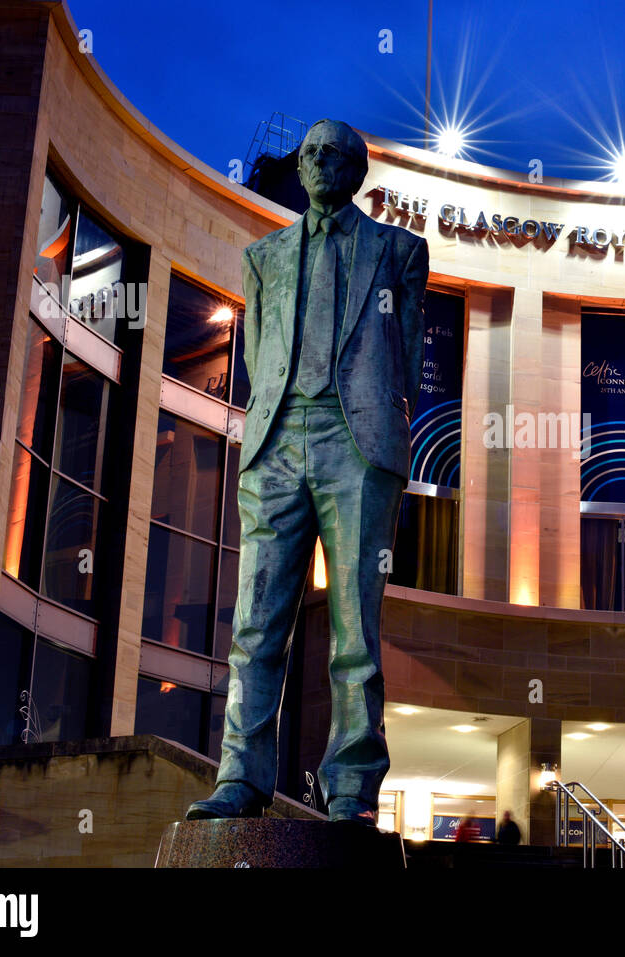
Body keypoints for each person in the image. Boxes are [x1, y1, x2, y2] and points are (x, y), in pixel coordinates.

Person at [186, 119, 428, 825]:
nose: (319, 162)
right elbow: (260, 358)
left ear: (358, 172)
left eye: (334, 155)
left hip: (356, 443)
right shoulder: (264, 256)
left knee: (355, 626)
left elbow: (406, 355)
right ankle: (241, 776)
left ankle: (351, 786)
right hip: (277, 441)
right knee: (255, 623)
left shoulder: (399, 251)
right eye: (310, 153)